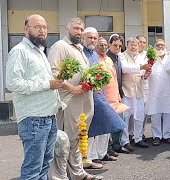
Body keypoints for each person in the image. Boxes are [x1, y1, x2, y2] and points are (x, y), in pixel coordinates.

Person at [6, 14, 65, 180]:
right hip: (33, 119)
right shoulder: (19, 52)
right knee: (33, 169)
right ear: (26, 29)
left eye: (45, 27)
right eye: (37, 27)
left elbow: (43, 80)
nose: (42, 31)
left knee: (45, 164)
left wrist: (57, 80)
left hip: (48, 116)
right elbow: (13, 84)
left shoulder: (39, 51)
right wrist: (48, 84)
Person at [48, 17, 102, 180]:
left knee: (79, 138)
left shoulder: (79, 47)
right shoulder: (60, 46)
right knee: (64, 140)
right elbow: (52, 73)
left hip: (83, 100)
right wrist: (71, 88)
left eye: (80, 29)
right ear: (67, 29)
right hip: (69, 101)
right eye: (75, 29)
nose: (78, 32)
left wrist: (93, 80)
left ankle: (78, 173)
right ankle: (58, 176)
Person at [82, 27, 126, 164]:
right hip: (96, 97)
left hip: (110, 97)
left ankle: (102, 153)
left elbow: (113, 78)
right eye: (98, 44)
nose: (101, 46)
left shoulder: (106, 58)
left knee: (106, 127)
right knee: (94, 128)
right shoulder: (84, 54)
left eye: (103, 45)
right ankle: (90, 157)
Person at [96, 37, 131, 156]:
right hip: (104, 98)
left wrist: (118, 95)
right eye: (115, 45)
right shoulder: (96, 59)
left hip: (116, 97)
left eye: (120, 46)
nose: (117, 48)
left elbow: (115, 78)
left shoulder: (110, 59)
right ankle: (107, 149)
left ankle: (117, 145)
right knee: (107, 126)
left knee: (120, 123)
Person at [120, 37, 152, 149]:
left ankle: (138, 138)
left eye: (136, 45)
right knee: (126, 117)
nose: (134, 47)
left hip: (139, 91)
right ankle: (125, 141)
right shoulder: (122, 56)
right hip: (126, 90)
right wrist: (141, 67)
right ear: (127, 46)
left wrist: (145, 75)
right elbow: (125, 69)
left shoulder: (141, 57)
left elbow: (143, 72)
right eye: (131, 45)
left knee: (139, 116)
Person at [145, 39, 170, 146]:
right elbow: (145, 73)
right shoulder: (151, 59)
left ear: (165, 47)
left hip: (167, 91)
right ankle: (156, 136)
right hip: (154, 91)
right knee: (155, 114)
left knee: (167, 114)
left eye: (162, 45)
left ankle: (166, 135)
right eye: (158, 45)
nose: (160, 47)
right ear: (154, 47)